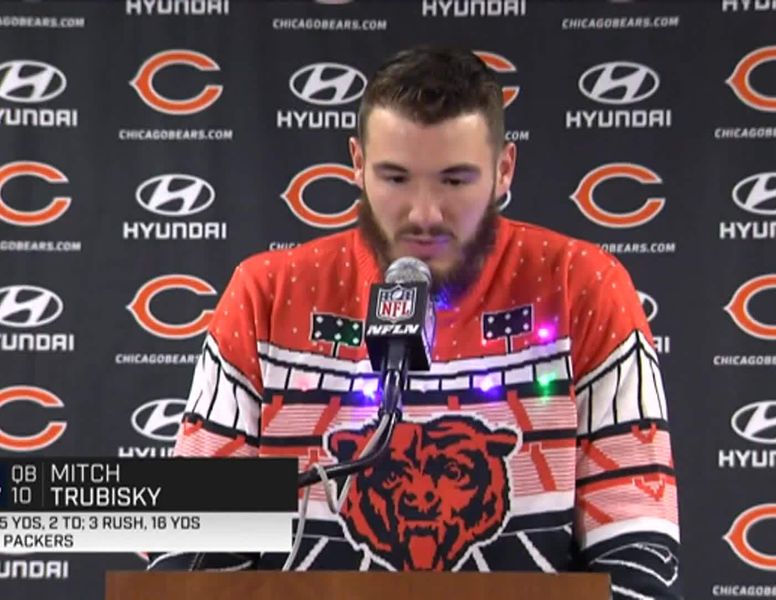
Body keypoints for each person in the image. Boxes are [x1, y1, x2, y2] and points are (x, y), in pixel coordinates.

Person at [148, 47, 682, 599]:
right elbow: (192, 557)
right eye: (396, 178)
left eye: (455, 181)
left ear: (504, 171)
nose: (424, 214)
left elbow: (638, 561)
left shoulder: (582, 286)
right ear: (356, 163)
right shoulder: (267, 294)